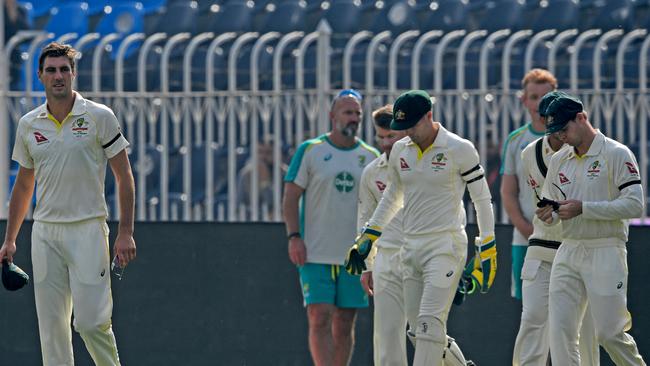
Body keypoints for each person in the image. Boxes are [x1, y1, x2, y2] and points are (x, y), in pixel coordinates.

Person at [0, 42, 136, 365]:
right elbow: (23, 185)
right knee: (52, 332)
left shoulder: (100, 117)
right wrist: (9, 239)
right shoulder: (29, 124)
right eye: (51, 70)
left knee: (91, 323)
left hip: (88, 230)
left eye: (64, 69)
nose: (58, 76)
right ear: (40, 76)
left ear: (73, 74)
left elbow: (125, 176)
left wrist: (126, 232)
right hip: (46, 234)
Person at [346, 90, 496, 366]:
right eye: (403, 128)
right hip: (410, 247)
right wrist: (370, 235)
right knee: (419, 332)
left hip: (445, 245)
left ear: (429, 115)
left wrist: (486, 246)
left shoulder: (459, 148)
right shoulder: (401, 151)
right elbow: (393, 196)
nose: (408, 134)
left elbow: (482, 199)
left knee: (428, 324)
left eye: (413, 126)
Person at [537, 93, 646, 365]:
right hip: (569, 249)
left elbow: (635, 205)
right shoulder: (559, 160)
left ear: (581, 117)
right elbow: (550, 207)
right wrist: (547, 214)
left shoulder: (616, 153)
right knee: (560, 333)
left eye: (565, 128)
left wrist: (584, 208)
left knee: (609, 334)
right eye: (556, 132)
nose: (561, 136)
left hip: (606, 249)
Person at [282, 89, 379, 366]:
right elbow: (290, 196)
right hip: (316, 252)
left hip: (354, 255)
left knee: (345, 320)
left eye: (357, 113)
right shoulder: (312, 151)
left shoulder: (369, 156)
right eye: (348, 112)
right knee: (319, 316)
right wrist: (294, 237)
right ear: (332, 116)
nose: (353, 118)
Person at [512, 91, 599, 366]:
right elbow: (544, 204)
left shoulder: (596, 149)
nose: (560, 134)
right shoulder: (530, 153)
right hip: (542, 246)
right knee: (532, 320)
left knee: (583, 332)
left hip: (580, 250)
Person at [500, 68, 557, 300]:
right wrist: (526, 230)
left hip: (566, 238)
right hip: (526, 239)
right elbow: (508, 192)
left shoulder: (570, 138)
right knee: (531, 310)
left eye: (545, 97)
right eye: (534, 97)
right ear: (524, 100)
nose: (539, 103)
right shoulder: (515, 141)